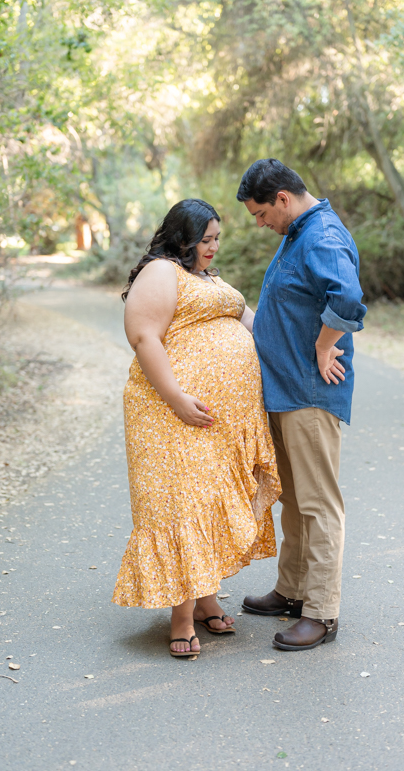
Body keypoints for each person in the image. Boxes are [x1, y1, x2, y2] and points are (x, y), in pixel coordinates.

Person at [112, 198, 281, 658]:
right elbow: (144, 335)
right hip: (169, 414)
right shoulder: (162, 271)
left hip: (217, 424)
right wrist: (177, 398)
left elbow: (257, 326)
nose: (213, 247)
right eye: (206, 239)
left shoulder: (209, 280)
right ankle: (181, 619)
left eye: (217, 239)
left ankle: (205, 598)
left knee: (208, 503)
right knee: (183, 507)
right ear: (181, 238)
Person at [236, 158, 366, 651]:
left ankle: (322, 612)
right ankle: (292, 589)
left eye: (261, 214)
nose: (261, 223)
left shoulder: (321, 235)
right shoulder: (298, 232)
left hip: (310, 393)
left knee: (318, 504)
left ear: (283, 200)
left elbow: (348, 299)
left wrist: (323, 345)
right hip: (285, 392)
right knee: (294, 498)